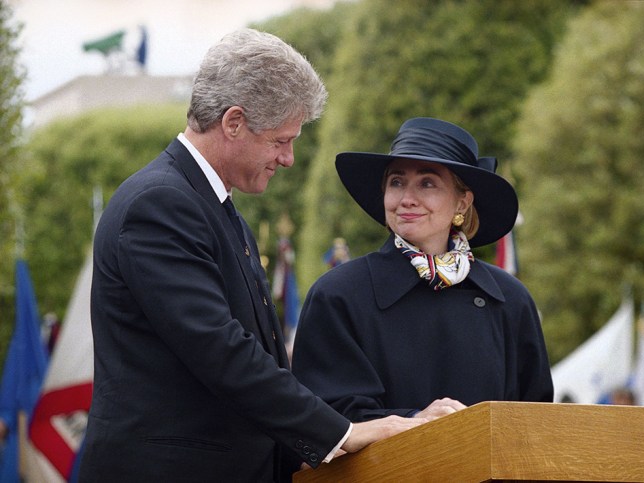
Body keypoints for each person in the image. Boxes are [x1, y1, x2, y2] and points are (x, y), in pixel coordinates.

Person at [78, 29, 424, 483]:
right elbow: (221, 351)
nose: (289, 159)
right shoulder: (160, 205)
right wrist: (340, 433)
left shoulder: (213, 209)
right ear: (234, 122)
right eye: (281, 140)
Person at [292, 117, 554, 423]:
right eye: (397, 182)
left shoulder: (510, 299)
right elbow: (322, 419)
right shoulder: (339, 295)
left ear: (462, 203)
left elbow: (536, 421)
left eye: (427, 183)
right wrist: (415, 422)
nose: (406, 199)